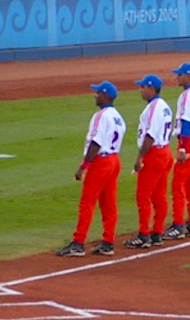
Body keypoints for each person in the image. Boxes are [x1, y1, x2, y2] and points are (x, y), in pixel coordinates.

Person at [57, 82, 126, 257]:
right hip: (114, 160)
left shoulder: (101, 116)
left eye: (97, 93)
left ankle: (78, 243)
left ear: (105, 95)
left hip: (101, 162)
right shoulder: (118, 116)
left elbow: (96, 142)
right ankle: (108, 242)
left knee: (87, 202)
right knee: (109, 203)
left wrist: (83, 166)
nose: (95, 95)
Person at [125, 75, 174, 249]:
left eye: (143, 87)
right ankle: (157, 233)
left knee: (143, 195)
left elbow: (150, 136)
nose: (140, 90)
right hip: (165, 152)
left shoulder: (154, 107)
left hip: (154, 154)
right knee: (159, 195)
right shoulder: (165, 106)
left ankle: (144, 234)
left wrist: (139, 158)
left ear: (151, 89)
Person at [163, 63, 190, 241]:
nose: (177, 77)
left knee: (178, 184)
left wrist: (182, 147)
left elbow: (187, 123)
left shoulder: (187, 96)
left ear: (188, 76)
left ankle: (178, 225)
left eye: (180, 74)